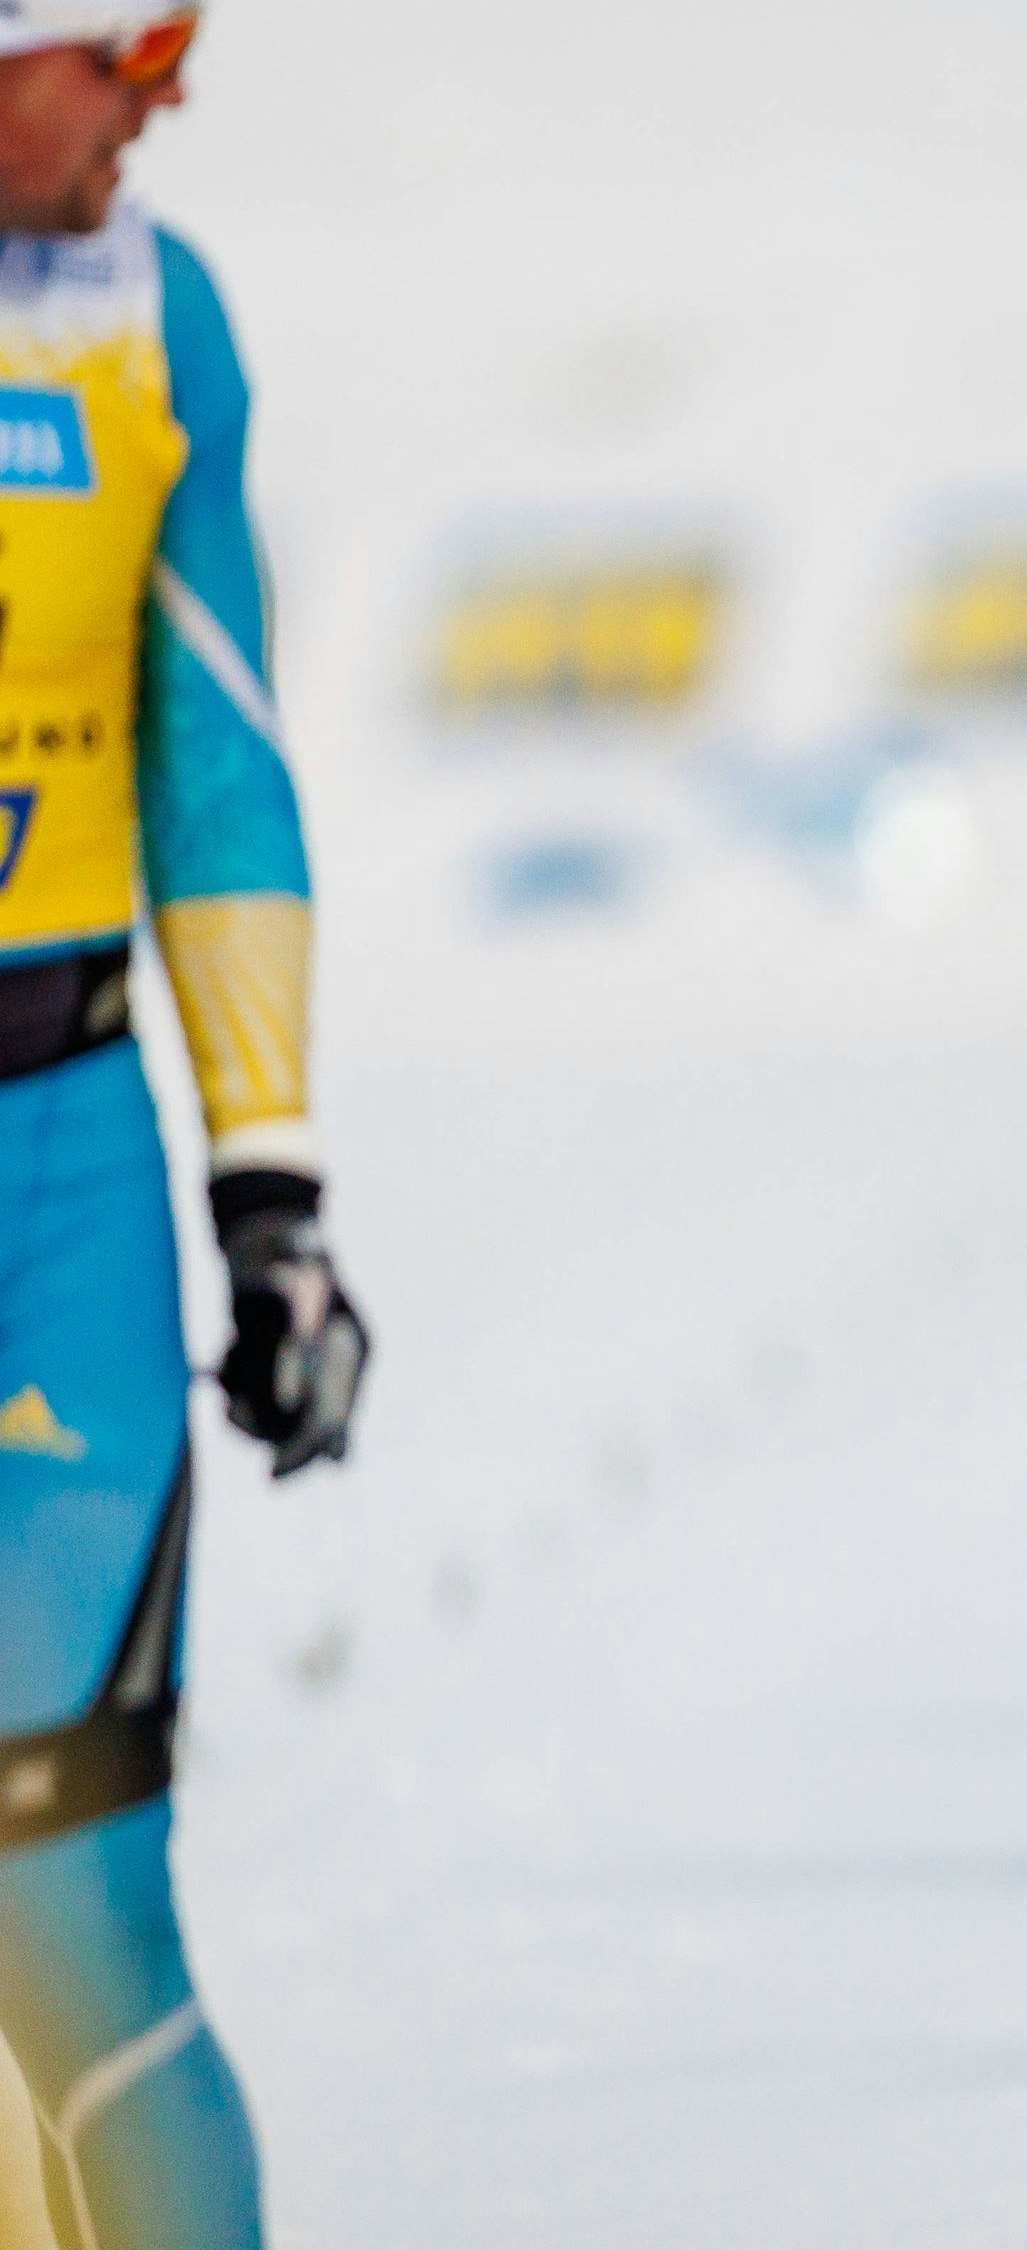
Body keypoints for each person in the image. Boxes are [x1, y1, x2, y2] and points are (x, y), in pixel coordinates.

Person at [0, 11, 368, 2250]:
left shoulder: (153, 315)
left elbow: (214, 766)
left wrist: (273, 1197)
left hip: (60, 1170)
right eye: (128, 44)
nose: (172, 95)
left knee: (72, 1906)